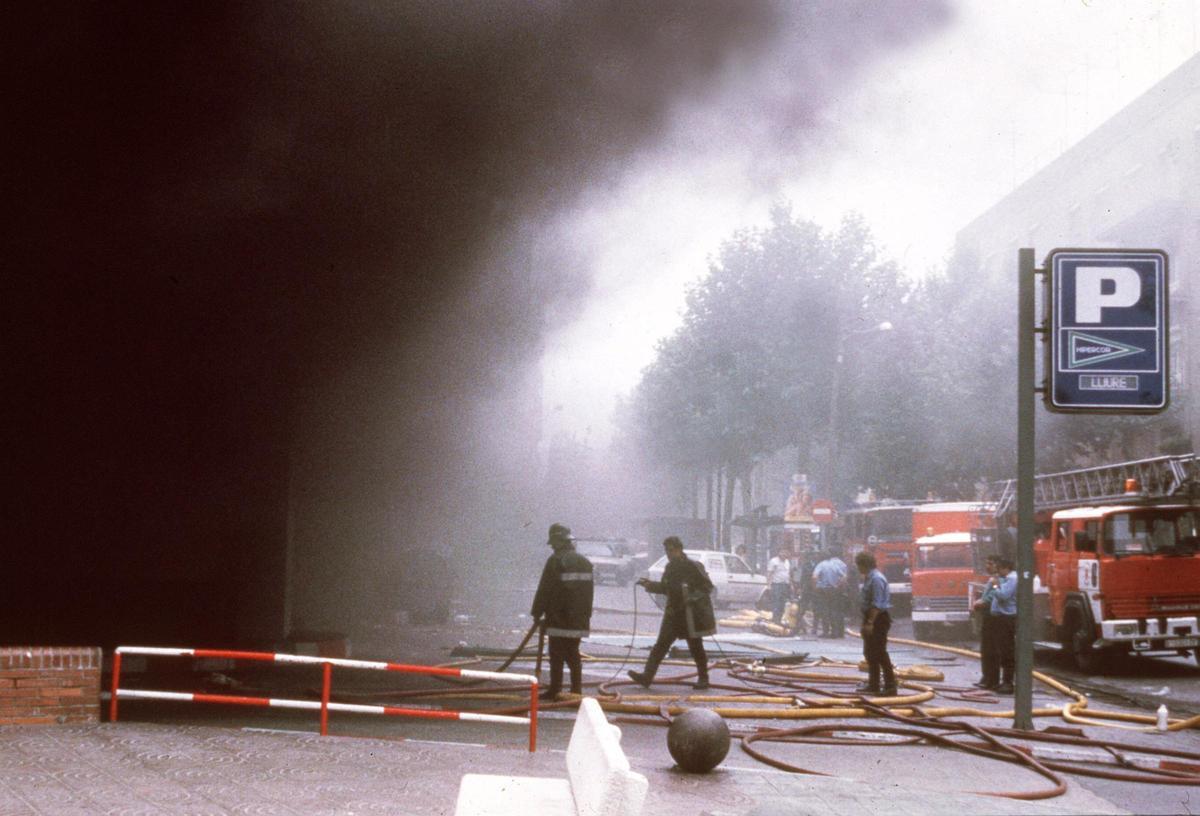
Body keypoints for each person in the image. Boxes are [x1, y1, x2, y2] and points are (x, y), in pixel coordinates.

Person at [628, 537, 715, 690]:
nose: (668, 553)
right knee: (660, 646)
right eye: (666, 550)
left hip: (689, 614)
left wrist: (692, 597)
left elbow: (707, 587)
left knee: (696, 646)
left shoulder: (693, 566)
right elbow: (665, 588)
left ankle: (704, 678)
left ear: (679, 549)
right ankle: (647, 677)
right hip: (673, 614)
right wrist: (649, 585)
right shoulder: (669, 567)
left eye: (671, 550)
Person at [531, 523, 594, 701]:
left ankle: (555, 689)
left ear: (558, 541)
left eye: (553, 543)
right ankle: (576, 690)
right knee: (573, 653)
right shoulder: (585, 562)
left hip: (558, 617)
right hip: (579, 618)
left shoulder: (555, 561)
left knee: (556, 655)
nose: (552, 546)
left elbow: (544, 589)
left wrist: (537, 612)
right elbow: (588, 593)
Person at [855, 551, 897, 696]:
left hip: (878, 619)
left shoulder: (876, 579)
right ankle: (874, 684)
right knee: (869, 652)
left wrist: (870, 623)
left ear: (864, 564)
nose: (858, 568)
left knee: (880, 652)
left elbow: (877, 604)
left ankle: (890, 686)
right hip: (870, 617)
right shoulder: (869, 578)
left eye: (858, 565)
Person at [990, 556, 1018, 695]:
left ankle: (1008, 682)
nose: (998, 572)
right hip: (1002, 617)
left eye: (999, 569)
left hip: (1007, 617)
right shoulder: (1008, 578)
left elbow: (1003, 595)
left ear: (1005, 568)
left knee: (1007, 650)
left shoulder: (1012, 579)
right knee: (1004, 649)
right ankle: (1005, 681)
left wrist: (995, 585)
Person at [972, 555, 1000, 690]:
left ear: (997, 565)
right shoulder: (993, 579)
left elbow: (995, 593)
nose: (987, 566)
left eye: (990, 564)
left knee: (991, 649)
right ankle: (986, 677)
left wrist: (983, 601)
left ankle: (991, 679)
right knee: (986, 649)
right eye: (987, 563)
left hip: (993, 617)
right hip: (987, 616)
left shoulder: (997, 580)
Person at [813, 550, 849, 638]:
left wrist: (815, 587)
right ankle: (834, 632)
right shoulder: (835, 565)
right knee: (833, 611)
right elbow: (844, 577)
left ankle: (825, 632)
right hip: (834, 590)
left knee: (824, 611)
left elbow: (814, 577)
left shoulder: (821, 565)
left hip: (823, 590)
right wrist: (838, 585)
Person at [766, 546, 793, 625]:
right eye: (782, 552)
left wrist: (791, 584)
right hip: (776, 585)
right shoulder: (773, 561)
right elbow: (769, 573)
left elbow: (788, 574)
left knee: (783, 603)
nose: (784, 554)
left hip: (785, 585)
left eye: (786, 552)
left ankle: (780, 619)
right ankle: (775, 620)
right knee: (776, 603)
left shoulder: (787, 562)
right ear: (779, 553)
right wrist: (768, 585)